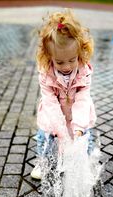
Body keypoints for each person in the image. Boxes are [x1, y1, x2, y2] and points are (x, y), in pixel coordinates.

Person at [31, 9, 97, 180]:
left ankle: (88, 163)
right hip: (53, 117)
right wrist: (60, 130)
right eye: (60, 62)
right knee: (45, 139)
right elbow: (50, 103)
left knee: (85, 140)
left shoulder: (84, 72)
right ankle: (42, 162)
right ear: (49, 56)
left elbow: (83, 100)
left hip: (77, 116)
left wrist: (79, 128)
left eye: (71, 60)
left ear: (80, 53)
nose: (67, 66)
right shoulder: (46, 75)